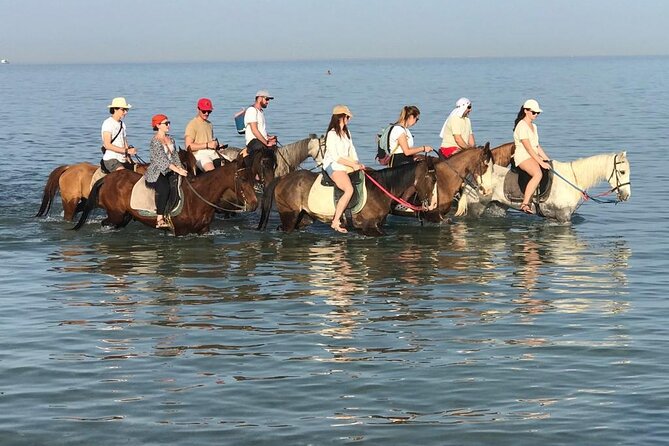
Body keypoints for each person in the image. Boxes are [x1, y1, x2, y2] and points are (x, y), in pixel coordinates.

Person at [321, 105, 365, 233]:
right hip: (334, 165)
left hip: (346, 163)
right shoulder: (331, 134)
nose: (349, 119)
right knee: (349, 189)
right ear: (341, 117)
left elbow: (352, 150)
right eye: (347, 117)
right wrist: (352, 165)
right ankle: (335, 221)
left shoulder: (347, 132)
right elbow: (336, 157)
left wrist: (357, 163)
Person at [145, 114, 188, 228]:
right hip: (158, 171)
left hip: (171, 168)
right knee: (164, 188)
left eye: (169, 123)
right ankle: (159, 218)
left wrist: (180, 168)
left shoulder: (171, 139)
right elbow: (162, 161)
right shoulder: (155, 141)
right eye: (166, 123)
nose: (168, 125)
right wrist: (177, 170)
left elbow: (175, 156)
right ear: (158, 125)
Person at [513, 99, 551, 214]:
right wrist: (540, 162)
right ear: (526, 111)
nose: (536, 115)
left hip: (532, 154)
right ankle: (525, 204)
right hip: (523, 156)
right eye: (533, 112)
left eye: (537, 113)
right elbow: (528, 148)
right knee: (537, 173)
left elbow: (536, 146)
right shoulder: (521, 126)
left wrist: (547, 159)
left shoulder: (534, 126)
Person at [101, 97, 137, 172]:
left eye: (126, 110)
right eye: (123, 110)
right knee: (123, 174)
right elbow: (107, 145)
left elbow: (125, 142)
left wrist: (128, 155)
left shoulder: (122, 124)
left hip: (123, 158)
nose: (125, 112)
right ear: (115, 109)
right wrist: (126, 151)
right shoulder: (108, 123)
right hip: (111, 159)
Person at [243, 89, 277, 168]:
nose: (268, 102)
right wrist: (266, 142)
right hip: (253, 142)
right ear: (259, 98)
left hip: (260, 141)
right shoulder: (252, 110)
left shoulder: (260, 112)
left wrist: (269, 137)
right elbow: (254, 130)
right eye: (266, 99)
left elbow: (261, 129)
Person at [184, 98, 220, 172]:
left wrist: (216, 144)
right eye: (204, 111)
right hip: (198, 155)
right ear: (198, 109)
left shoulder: (209, 124)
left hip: (211, 152)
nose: (206, 113)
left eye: (209, 111)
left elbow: (209, 141)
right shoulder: (192, 124)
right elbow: (188, 146)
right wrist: (207, 145)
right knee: (213, 173)